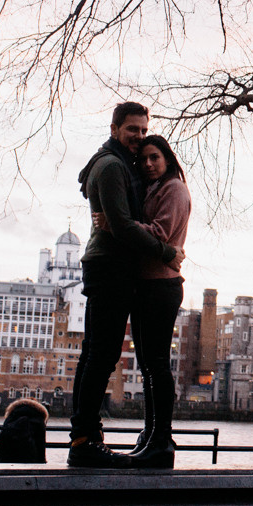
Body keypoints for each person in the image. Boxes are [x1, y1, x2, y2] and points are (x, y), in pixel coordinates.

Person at [69, 102, 185, 469]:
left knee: (101, 355)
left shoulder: (130, 169)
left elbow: (123, 222)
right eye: (132, 130)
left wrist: (120, 224)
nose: (138, 137)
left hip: (127, 273)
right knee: (100, 355)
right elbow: (122, 224)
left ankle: (97, 437)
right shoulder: (113, 165)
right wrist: (168, 252)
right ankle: (86, 439)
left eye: (143, 130)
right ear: (115, 128)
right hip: (111, 269)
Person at [126, 134, 191, 469]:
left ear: (167, 158)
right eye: (144, 160)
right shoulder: (153, 188)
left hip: (162, 286)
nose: (149, 164)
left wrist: (120, 226)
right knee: (149, 366)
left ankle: (161, 440)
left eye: (155, 157)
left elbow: (159, 233)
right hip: (145, 285)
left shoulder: (174, 189)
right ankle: (150, 435)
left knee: (158, 366)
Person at [0, 397, 49, 464]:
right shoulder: (39, 418)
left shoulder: (11, 416)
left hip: (6, 459)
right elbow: (40, 446)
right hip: (30, 461)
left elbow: (1, 442)